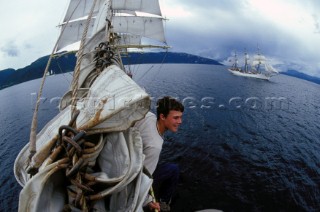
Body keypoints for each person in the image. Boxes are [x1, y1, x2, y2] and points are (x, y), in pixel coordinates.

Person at [134, 96, 184, 212]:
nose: (180, 122)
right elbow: (142, 178)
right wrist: (148, 201)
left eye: (180, 117)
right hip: (137, 172)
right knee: (174, 170)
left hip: (134, 159)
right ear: (162, 117)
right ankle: (163, 202)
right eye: (176, 118)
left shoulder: (150, 116)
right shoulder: (155, 146)